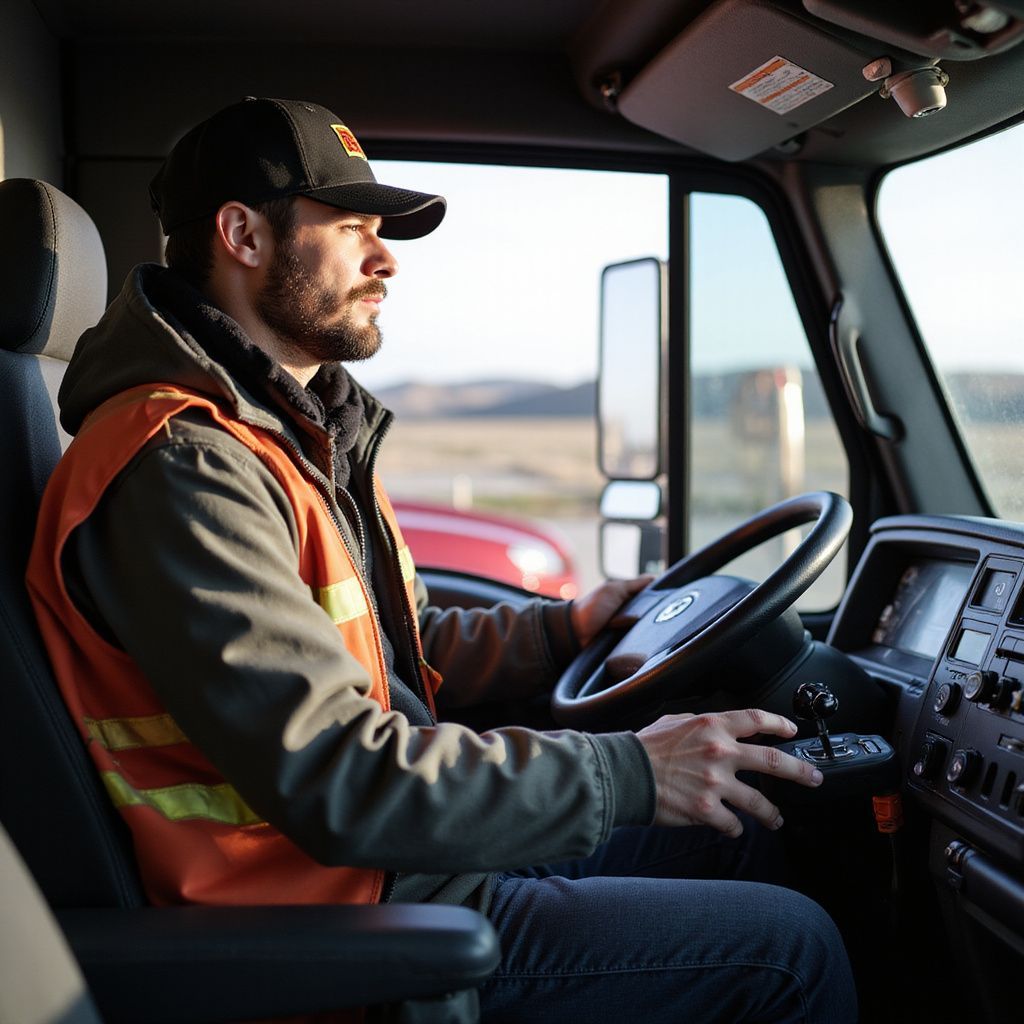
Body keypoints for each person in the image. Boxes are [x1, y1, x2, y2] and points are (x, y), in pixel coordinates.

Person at [27, 97, 856, 1022]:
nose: (385, 260)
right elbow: (340, 777)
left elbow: (380, 651)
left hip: (392, 868)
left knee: (732, 831)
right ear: (241, 235)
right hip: (331, 927)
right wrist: (633, 771)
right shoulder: (182, 465)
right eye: (351, 229)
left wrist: (561, 630)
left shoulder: (285, 434)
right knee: (791, 949)